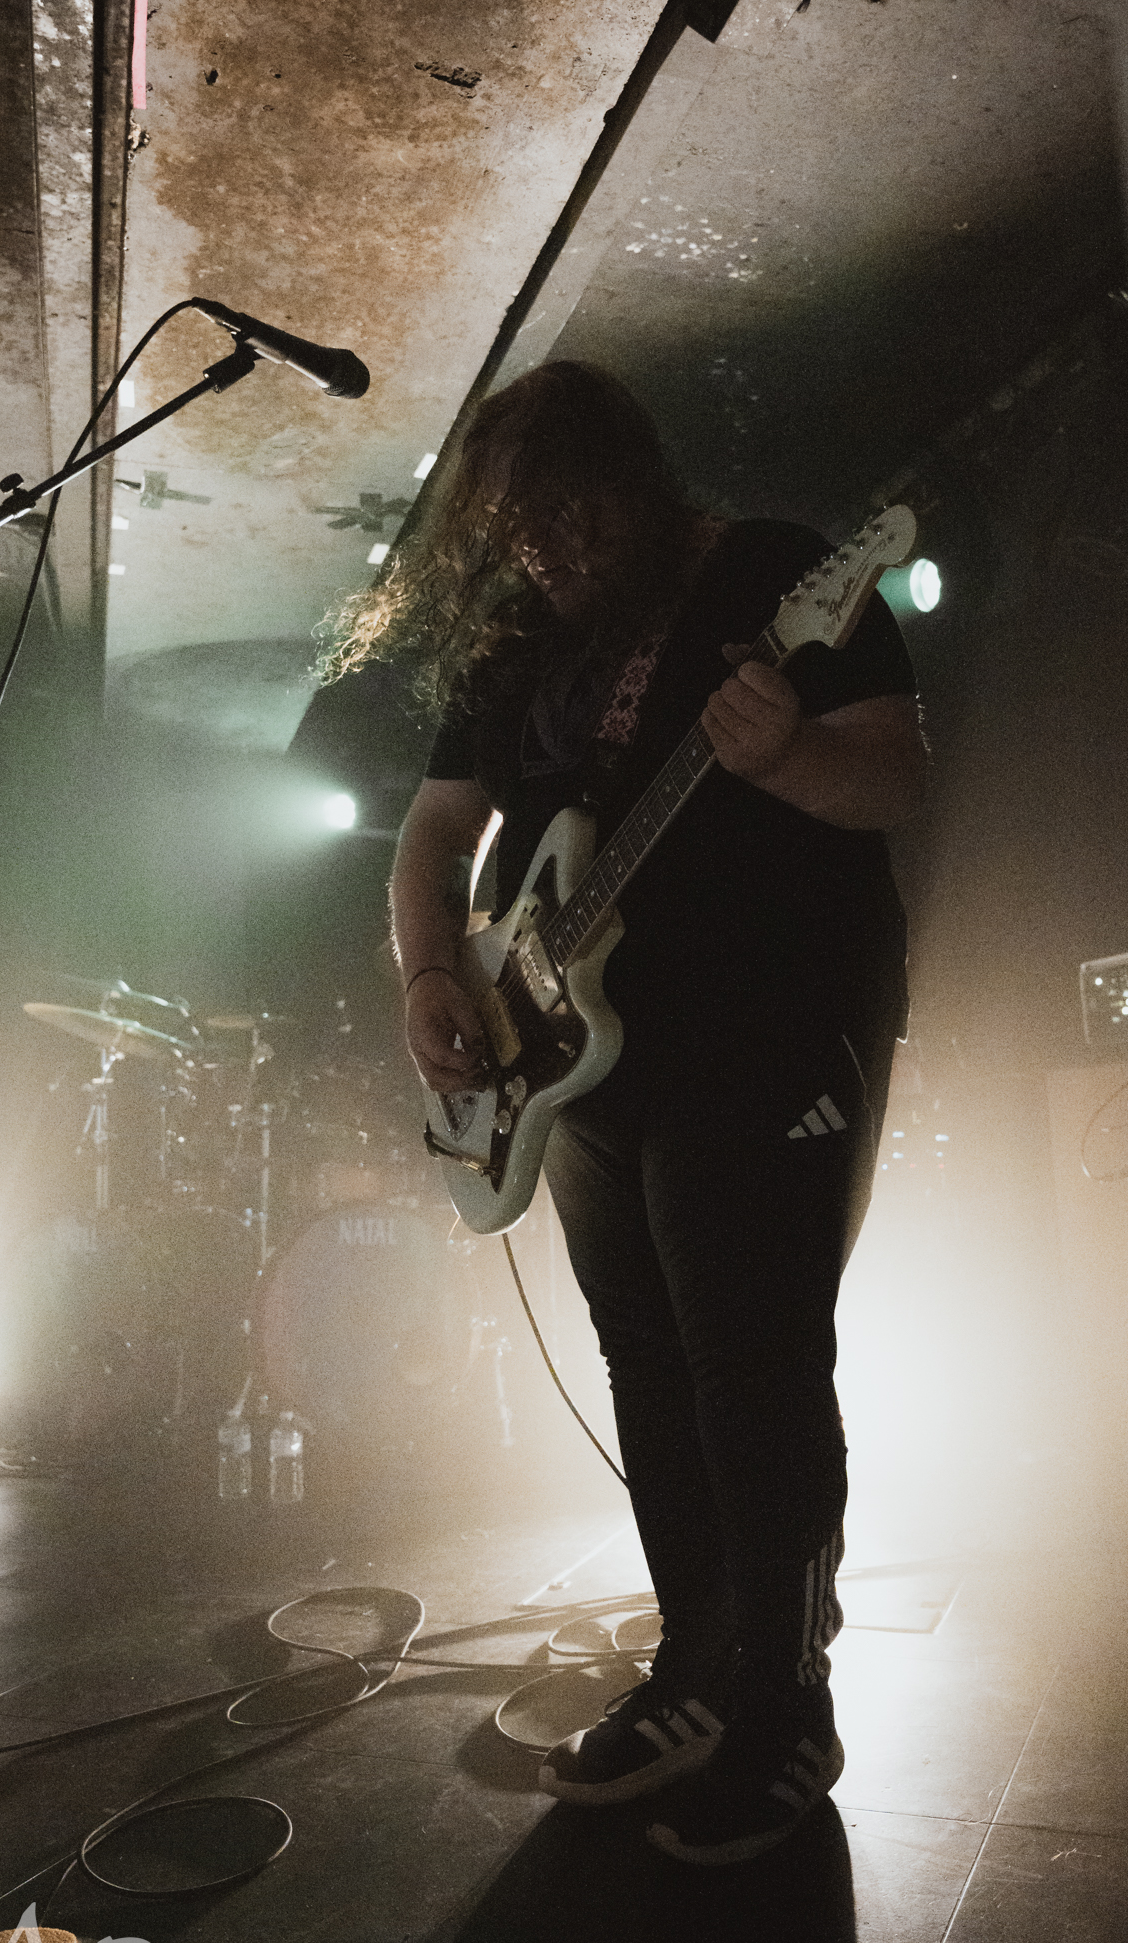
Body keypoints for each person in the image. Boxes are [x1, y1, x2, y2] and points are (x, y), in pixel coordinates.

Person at [353, 360, 926, 1863]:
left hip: (768, 1033)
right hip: (579, 1065)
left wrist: (789, 753)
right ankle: (696, 1663)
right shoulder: (520, 637)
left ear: (631, 480)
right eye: (518, 531)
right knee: (648, 1363)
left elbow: (892, 779)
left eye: (568, 517)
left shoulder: (776, 575)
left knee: (751, 1365)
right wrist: (433, 973)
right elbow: (437, 832)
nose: (546, 551)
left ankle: (786, 1703)